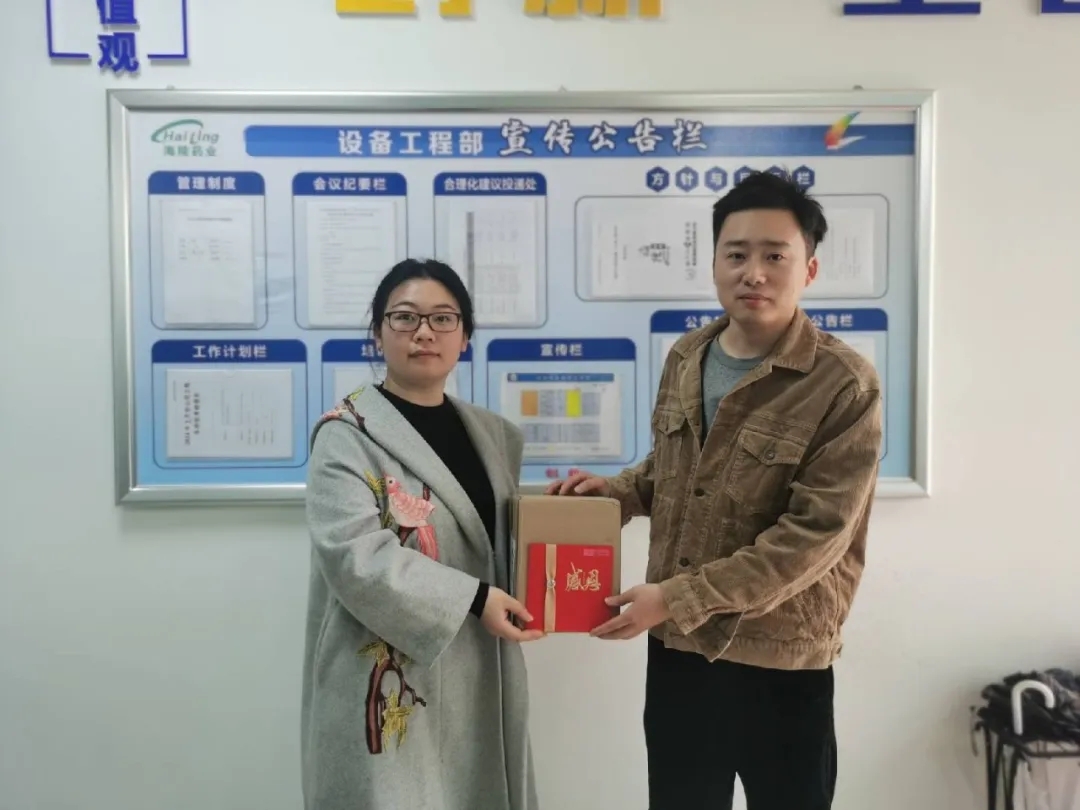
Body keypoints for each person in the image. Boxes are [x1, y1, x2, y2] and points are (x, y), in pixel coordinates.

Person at [547, 171, 883, 810]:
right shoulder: (688, 355)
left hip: (781, 656)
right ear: (714, 263)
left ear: (809, 269)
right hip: (679, 650)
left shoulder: (843, 382)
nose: (753, 272)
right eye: (737, 254)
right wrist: (615, 493)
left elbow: (816, 535)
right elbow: (675, 470)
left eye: (774, 256)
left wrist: (676, 597)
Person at [302, 259, 543, 810]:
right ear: (378, 332)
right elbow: (355, 557)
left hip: (482, 665)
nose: (424, 332)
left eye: (442, 318)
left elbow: (497, 540)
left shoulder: (494, 436)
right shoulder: (345, 435)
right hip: (388, 673)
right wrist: (473, 598)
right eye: (405, 317)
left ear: (465, 336)